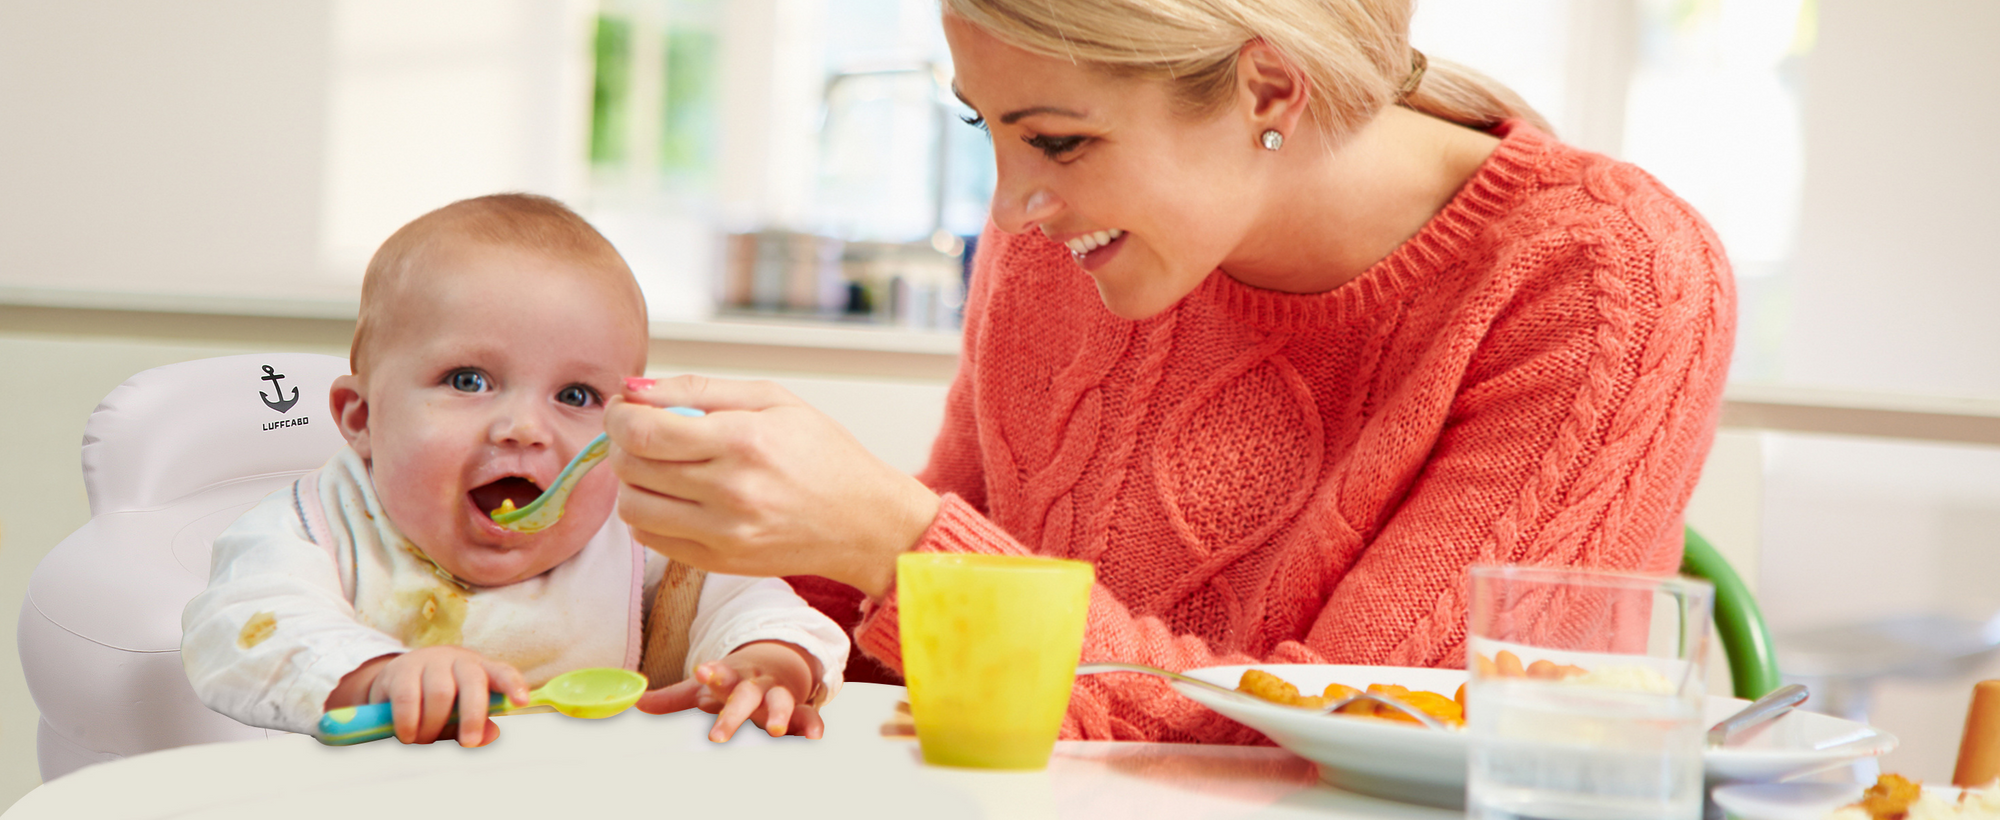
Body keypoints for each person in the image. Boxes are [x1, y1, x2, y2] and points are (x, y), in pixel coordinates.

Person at [605, 0, 1734, 744]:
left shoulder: (1606, 279)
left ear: (1268, 89)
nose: (1012, 207)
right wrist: (757, 622)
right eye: (984, 127)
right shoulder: (1067, 240)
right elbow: (929, 629)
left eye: (1054, 141)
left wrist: (896, 544)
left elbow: (1370, 746)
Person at [182, 193, 847, 747]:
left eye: (577, 396)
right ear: (360, 418)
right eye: (468, 380)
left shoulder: (634, 535)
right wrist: (381, 673)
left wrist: (767, 662)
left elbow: (753, 601)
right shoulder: (314, 529)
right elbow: (242, 631)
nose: (524, 428)